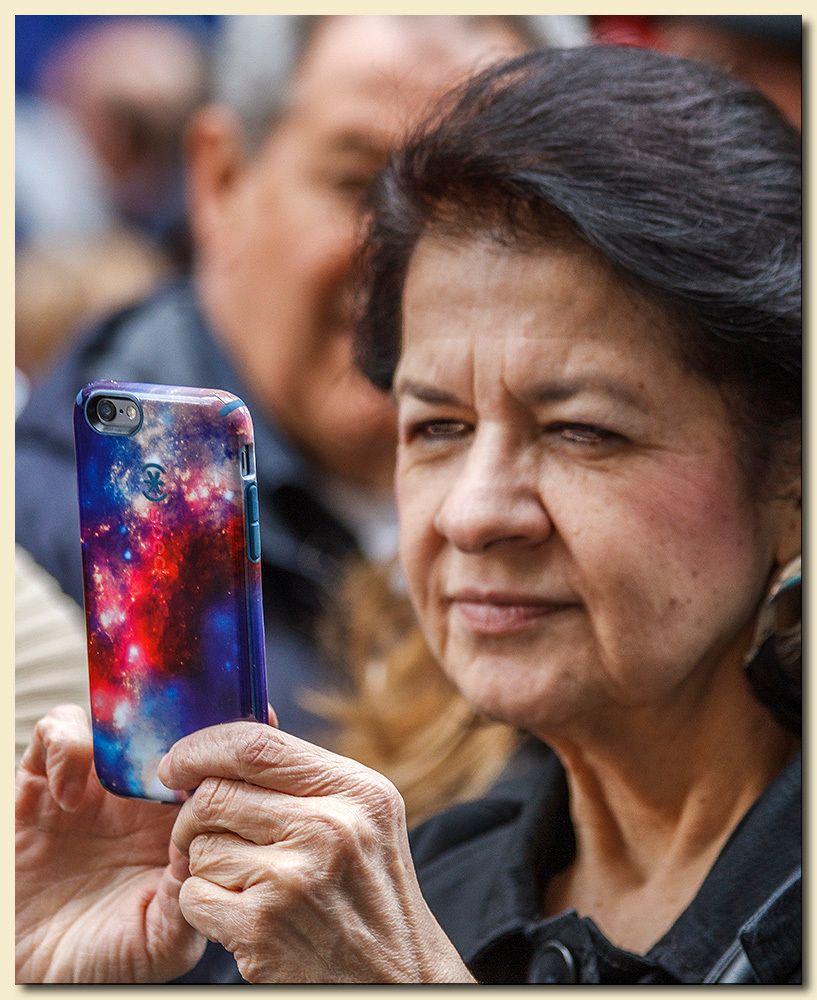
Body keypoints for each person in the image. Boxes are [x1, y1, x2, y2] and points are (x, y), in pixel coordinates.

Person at [16, 44, 801, 984]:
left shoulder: (378, 928)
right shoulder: (410, 883)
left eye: (583, 431)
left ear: (786, 476)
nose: (473, 514)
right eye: (436, 426)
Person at [15, 15, 566, 740]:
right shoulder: (60, 541)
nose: (417, 260)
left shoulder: (580, 509)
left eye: (484, 201)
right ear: (220, 179)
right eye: (359, 182)